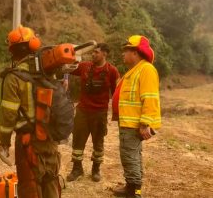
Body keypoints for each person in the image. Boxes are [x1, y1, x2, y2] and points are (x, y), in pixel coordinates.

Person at [0, 26, 61, 198]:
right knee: (50, 179)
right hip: (49, 138)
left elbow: (8, 115)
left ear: (12, 50)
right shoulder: (48, 72)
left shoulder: (13, 77)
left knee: (29, 185)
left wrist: (4, 142)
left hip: (27, 141)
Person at [111, 35, 161, 198]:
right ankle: (131, 187)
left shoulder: (146, 69)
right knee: (131, 155)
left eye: (126, 51)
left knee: (129, 156)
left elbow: (150, 97)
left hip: (134, 124)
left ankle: (134, 192)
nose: (123, 54)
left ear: (135, 52)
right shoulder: (135, 70)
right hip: (128, 122)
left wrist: (145, 123)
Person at [66, 43, 120, 182]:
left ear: (104, 54)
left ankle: (96, 169)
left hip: (100, 113)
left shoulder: (112, 71)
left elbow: (116, 94)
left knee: (98, 143)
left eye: (96, 52)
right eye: (93, 52)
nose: (93, 54)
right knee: (77, 141)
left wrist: (116, 113)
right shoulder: (84, 66)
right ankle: (77, 169)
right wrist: (69, 54)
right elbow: (68, 68)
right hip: (82, 111)